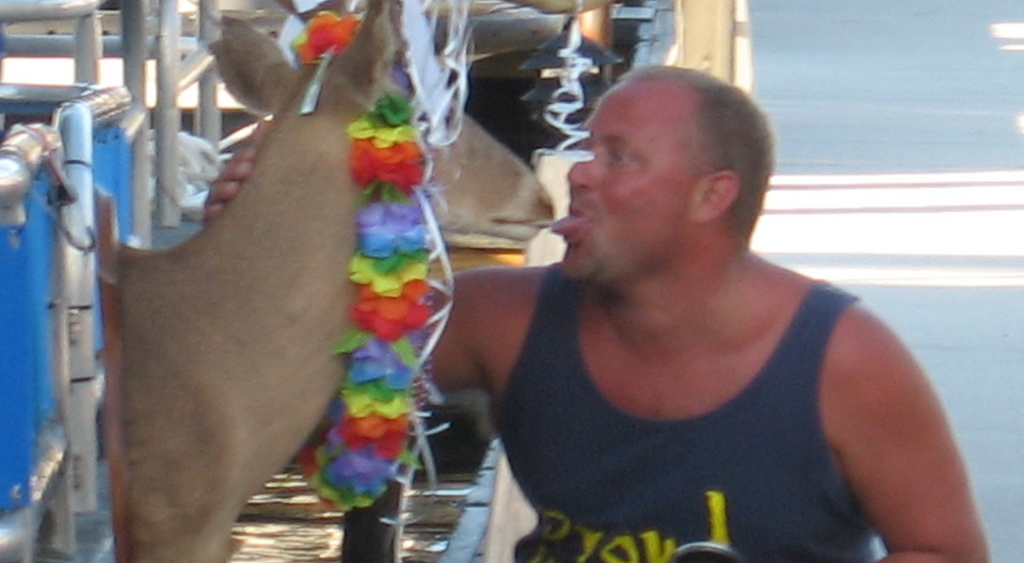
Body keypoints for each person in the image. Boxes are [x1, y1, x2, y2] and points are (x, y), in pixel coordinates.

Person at [207, 66, 988, 563]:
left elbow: (948, 551)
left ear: (711, 195)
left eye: (620, 157)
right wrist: (257, 236)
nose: (579, 173)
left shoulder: (847, 361)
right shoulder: (500, 318)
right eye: (588, 148)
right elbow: (303, 389)